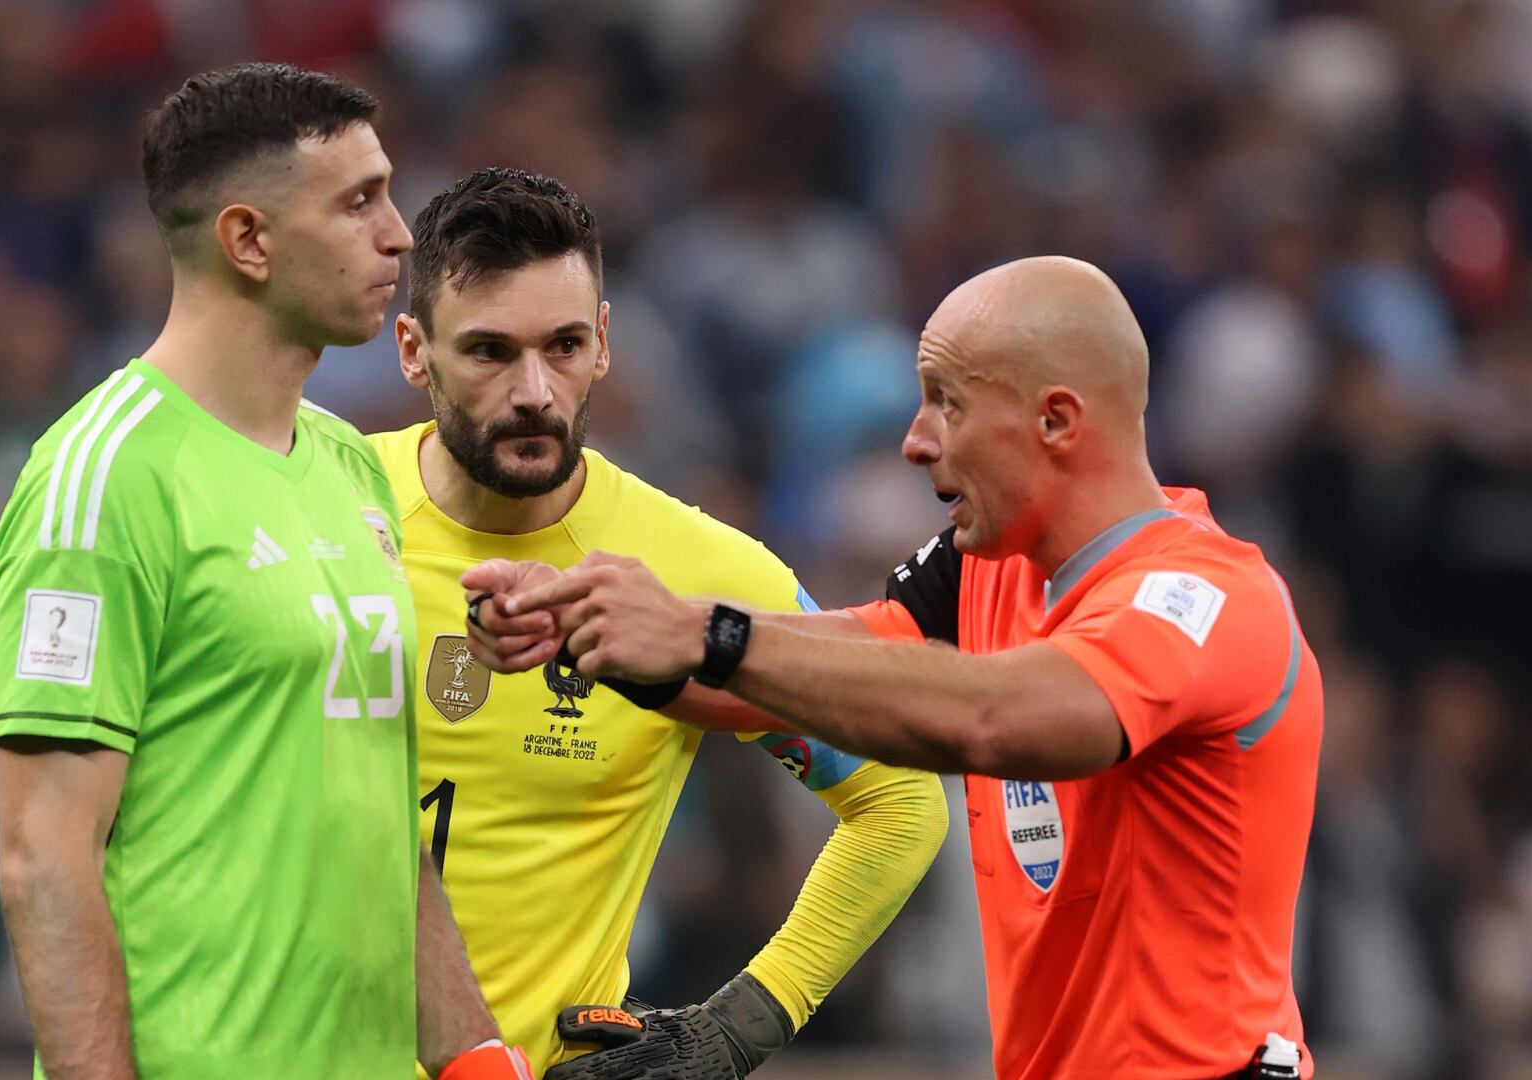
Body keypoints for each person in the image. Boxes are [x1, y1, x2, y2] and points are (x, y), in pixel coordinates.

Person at [0, 167, 946, 1079]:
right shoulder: (307, 500)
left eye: (564, 347)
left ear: (604, 343)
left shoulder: (702, 574)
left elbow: (901, 803)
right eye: (488, 351)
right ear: (412, 352)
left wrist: (738, 1028)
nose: (534, 391)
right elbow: (7, 646)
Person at [469, 256, 1324, 1079]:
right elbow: (839, 666)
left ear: (1056, 421)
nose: (916, 443)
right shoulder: (992, 564)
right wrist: (596, 630)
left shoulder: (1207, 598)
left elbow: (1005, 717)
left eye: (946, 404)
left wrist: (709, 634)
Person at [0, 63, 526, 1080]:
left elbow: (382, 823)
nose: (402, 234)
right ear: (247, 240)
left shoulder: (350, 467)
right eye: (359, 201)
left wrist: (474, 1059)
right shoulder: (106, 478)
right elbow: (43, 863)